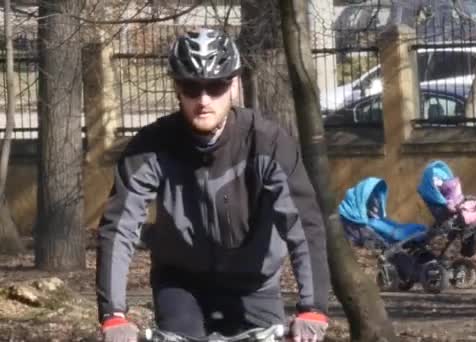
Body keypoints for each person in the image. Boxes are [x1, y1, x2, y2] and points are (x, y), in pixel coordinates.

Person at [96, 27, 330, 342]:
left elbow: (304, 225)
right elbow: (119, 228)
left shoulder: (268, 143)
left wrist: (312, 309)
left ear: (233, 85)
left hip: (254, 285)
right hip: (180, 284)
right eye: (192, 87)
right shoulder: (150, 147)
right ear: (177, 87)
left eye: (216, 86)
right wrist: (114, 315)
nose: (203, 100)